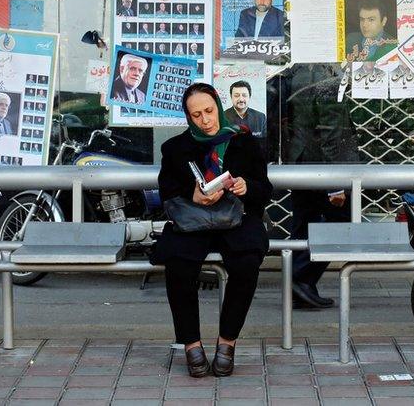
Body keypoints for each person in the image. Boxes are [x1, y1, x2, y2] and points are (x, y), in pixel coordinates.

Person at [153, 83, 272, 377]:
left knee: (246, 262)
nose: (205, 120)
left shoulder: (244, 141)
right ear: (188, 117)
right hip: (194, 220)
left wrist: (247, 187)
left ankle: (227, 342)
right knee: (178, 263)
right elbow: (166, 188)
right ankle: (191, 344)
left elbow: (265, 190)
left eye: (209, 111)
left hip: (237, 217)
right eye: (196, 115)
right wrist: (191, 194)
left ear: (218, 106)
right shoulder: (175, 148)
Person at [282, 64, 359, 308]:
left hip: (301, 159)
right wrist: (334, 184)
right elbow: (330, 132)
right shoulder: (326, 77)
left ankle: (299, 287)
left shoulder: (299, 71)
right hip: (321, 166)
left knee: (303, 226)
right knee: (343, 222)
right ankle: (300, 278)